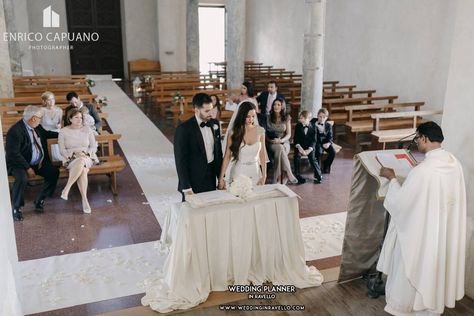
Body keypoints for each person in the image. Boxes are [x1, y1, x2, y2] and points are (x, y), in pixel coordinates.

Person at [378, 121, 466, 316]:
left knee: (413, 266)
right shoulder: (453, 162)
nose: (416, 143)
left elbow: (401, 203)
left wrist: (391, 178)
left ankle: (408, 307)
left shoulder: (423, 171)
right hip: (441, 231)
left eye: (417, 138)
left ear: (425, 138)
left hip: (421, 234)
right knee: (434, 271)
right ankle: (430, 307)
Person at [6, 105, 59, 221]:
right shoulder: (15, 131)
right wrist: (27, 167)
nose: (41, 120)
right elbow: (13, 154)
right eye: (40, 117)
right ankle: (16, 208)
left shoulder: (37, 126)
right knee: (22, 179)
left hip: (37, 162)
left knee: (53, 173)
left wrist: (66, 133)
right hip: (19, 164)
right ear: (33, 118)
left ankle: (39, 199)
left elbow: (49, 134)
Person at [174, 93, 223, 201]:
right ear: (196, 110)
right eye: (206, 111)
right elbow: (180, 161)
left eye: (211, 109)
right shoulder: (184, 129)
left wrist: (221, 178)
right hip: (193, 180)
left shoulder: (215, 124)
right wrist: (186, 187)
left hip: (211, 178)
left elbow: (218, 153)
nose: (210, 113)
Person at [58, 109, 99, 214]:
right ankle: (85, 200)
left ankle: (67, 188)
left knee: (81, 160)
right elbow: (62, 149)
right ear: (70, 118)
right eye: (76, 117)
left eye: (81, 117)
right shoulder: (63, 131)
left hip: (86, 156)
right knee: (83, 170)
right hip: (70, 158)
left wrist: (86, 154)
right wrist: (73, 155)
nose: (79, 120)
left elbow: (93, 146)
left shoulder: (87, 129)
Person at [218, 102, 266, 188]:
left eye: (253, 116)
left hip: (255, 172)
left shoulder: (260, 131)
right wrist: (221, 178)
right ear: (241, 115)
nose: (251, 119)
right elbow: (227, 156)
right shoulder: (233, 132)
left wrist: (264, 175)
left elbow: (262, 154)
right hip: (239, 172)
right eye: (248, 116)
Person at [266, 98, 298, 184]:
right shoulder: (268, 117)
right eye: (274, 104)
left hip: (284, 141)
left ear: (282, 107)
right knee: (280, 149)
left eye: (278, 105)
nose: (276, 106)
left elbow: (289, 134)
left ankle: (276, 179)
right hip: (272, 142)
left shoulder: (287, 117)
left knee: (280, 149)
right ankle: (289, 174)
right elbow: (266, 132)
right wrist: (272, 140)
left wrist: (281, 140)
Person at [293, 111, 322, 184]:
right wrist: (299, 147)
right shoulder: (298, 126)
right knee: (297, 157)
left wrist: (309, 149)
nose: (300, 120)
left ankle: (318, 175)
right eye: (300, 118)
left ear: (308, 119)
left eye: (302, 118)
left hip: (309, 147)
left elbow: (314, 140)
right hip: (300, 146)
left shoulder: (314, 127)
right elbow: (296, 139)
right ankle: (297, 175)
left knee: (312, 159)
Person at [311, 108, 335, 174]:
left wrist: (328, 143)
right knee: (318, 152)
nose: (321, 119)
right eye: (320, 116)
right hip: (316, 142)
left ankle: (326, 164)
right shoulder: (313, 122)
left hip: (325, 142)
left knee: (333, 152)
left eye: (324, 117)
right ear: (317, 116)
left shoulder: (328, 126)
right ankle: (318, 171)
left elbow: (330, 137)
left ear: (326, 117)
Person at [40, 91, 62, 161]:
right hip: (45, 133)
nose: (52, 101)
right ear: (45, 101)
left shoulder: (59, 110)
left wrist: (59, 125)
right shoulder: (42, 110)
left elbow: (60, 123)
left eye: (53, 99)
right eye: (49, 100)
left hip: (56, 132)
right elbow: (39, 125)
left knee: (59, 135)